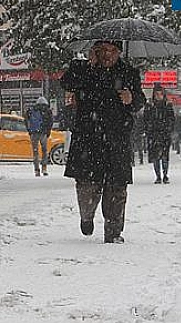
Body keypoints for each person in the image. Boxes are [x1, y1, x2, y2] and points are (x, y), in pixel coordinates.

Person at [60, 40, 146, 244]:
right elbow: (66, 83)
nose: (108, 55)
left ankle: (114, 231)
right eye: (104, 50)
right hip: (88, 138)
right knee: (87, 186)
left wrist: (131, 98)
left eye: (113, 51)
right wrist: (87, 65)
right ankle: (86, 217)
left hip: (117, 139)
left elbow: (140, 101)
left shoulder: (128, 73)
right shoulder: (82, 68)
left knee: (117, 188)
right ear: (96, 50)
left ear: (119, 52)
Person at [144, 85, 175, 184]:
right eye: (156, 94)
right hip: (154, 134)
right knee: (156, 156)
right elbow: (145, 119)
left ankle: (165, 175)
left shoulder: (167, 106)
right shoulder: (150, 106)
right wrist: (149, 129)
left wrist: (168, 128)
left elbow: (172, 119)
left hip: (164, 134)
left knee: (165, 156)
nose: (158, 96)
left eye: (160, 94)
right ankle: (158, 176)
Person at [23, 96, 54, 176]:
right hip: (43, 133)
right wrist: (48, 132)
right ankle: (44, 168)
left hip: (34, 133)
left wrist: (29, 131)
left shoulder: (32, 110)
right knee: (44, 151)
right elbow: (50, 122)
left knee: (35, 152)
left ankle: (36, 170)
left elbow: (26, 120)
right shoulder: (47, 110)